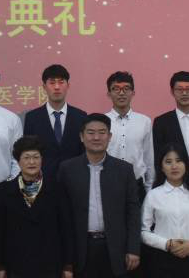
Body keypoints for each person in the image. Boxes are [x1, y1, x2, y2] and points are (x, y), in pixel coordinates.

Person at [58, 113, 142, 278]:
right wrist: (66, 259)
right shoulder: (67, 169)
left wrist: (133, 249)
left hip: (116, 250)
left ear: (109, 137)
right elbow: (62, 215)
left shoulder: (124, 170)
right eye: (90, 133)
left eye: (102, 132)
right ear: (82, 137)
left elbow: (133, 212)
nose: (96, 137)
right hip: (81, 249)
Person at [0, 135, 73, 278]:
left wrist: (68, 265)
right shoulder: (5, 191)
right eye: (26, 157)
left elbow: (66, 228)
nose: (32, 162)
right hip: (16, 264)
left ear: (42, 159)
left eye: (36, 157)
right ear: (18, 161)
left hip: (50, 264)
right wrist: (0, 265)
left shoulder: (57, 189)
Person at [140, 143, 189, 278]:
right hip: (161, 259)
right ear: (161, 167)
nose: (174, 166)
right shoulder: (153, 195)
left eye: (179, 161)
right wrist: (167, 244)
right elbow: (144, 231)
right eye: (168, 162)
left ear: (186, 165)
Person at [23, 64, 87, 180]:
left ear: (68, 85)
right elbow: (29, 151)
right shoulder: (32, 118)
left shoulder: (81, 116)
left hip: (74, 179)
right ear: (44, 86)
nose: (57, 87)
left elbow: (84, 151)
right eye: (52, 83)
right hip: (42, 180)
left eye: (61, 82)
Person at [104, 71, 153, 188]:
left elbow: (149, 157)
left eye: (126, 88)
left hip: (137, 184)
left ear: (133, 92)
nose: (121, 93)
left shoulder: (144, 121)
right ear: (109, 93)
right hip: (108, 183)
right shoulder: (102, 122)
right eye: (116, 89)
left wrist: (149, 187)